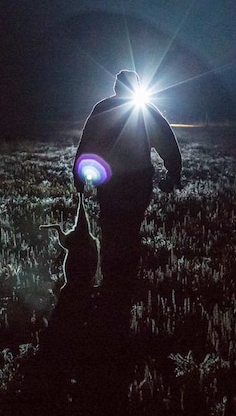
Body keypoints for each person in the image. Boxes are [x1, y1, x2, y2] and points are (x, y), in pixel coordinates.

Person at [74, 70, 182, 307]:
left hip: (111, 182)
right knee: (129, 230)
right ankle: (124, 281)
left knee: (112, 230)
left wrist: (79, 176)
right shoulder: (146, 110)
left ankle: (112, 282)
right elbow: (168, 143)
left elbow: (87, 143)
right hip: (137, 183)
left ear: (116, 87)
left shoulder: (103, 109)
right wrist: (173, 174)